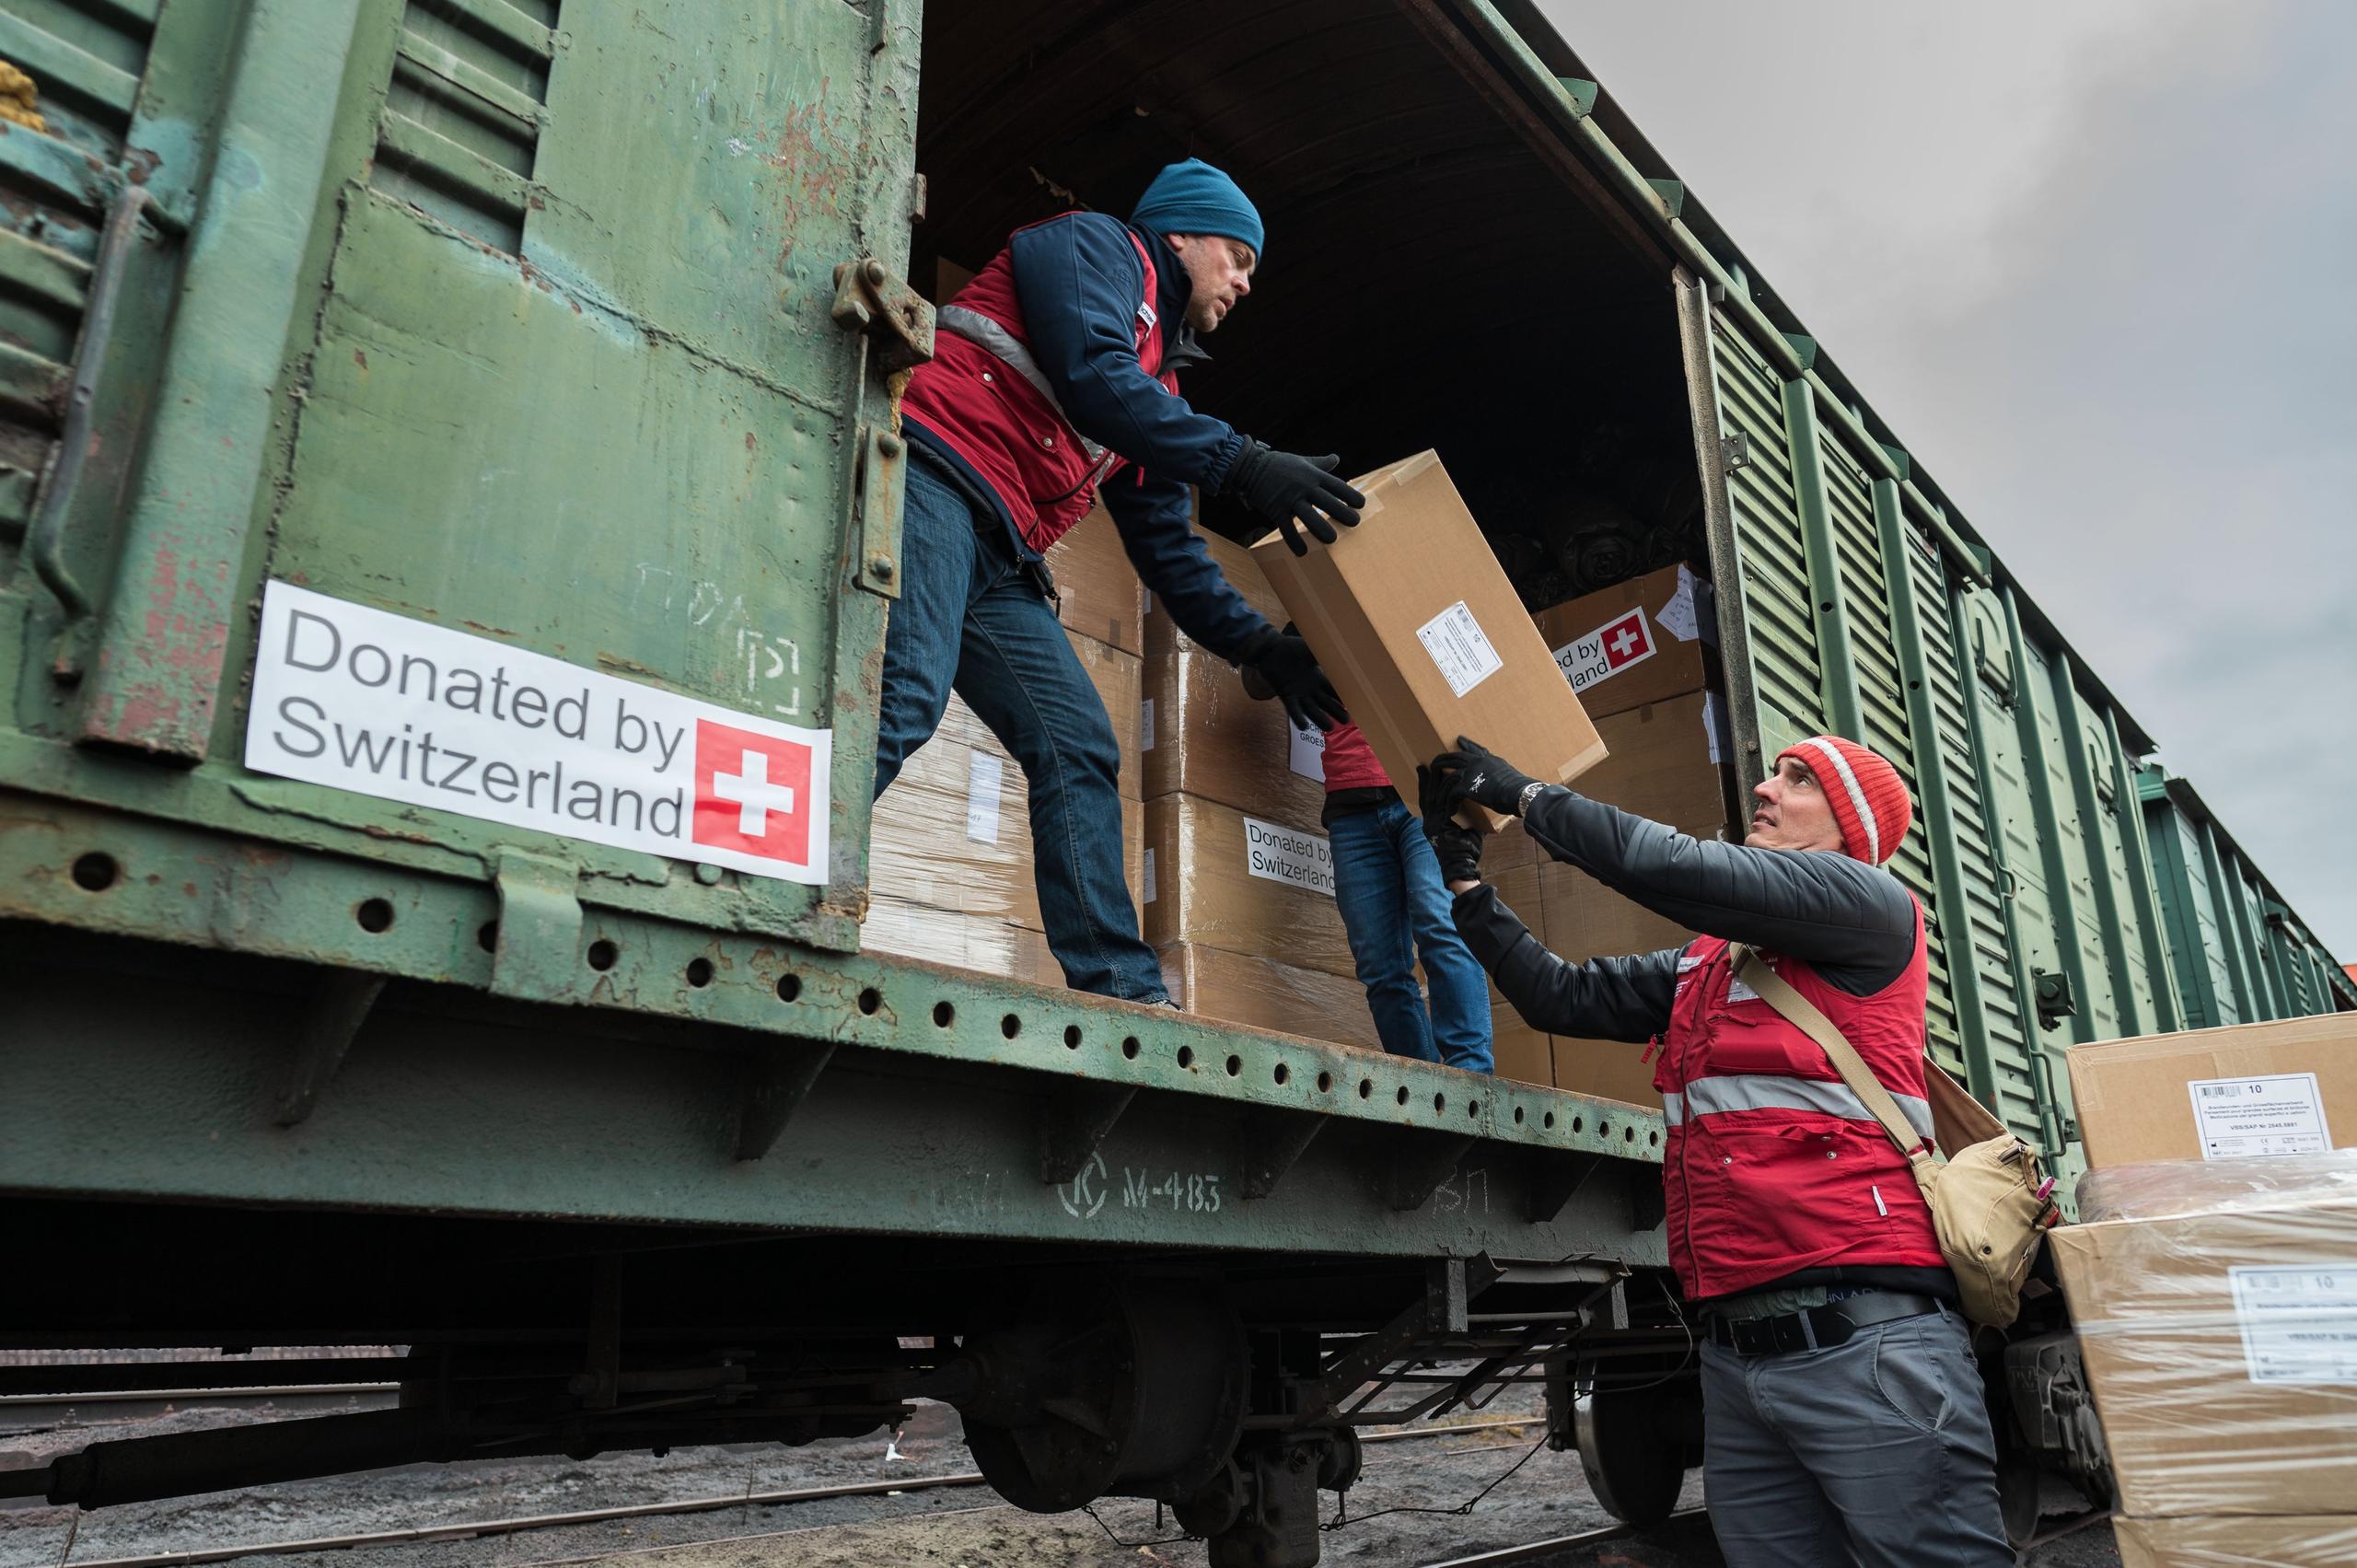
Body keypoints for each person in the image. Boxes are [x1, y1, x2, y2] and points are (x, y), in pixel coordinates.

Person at [1417, 734, 2011, 1568]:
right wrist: (1465, 879)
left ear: (1850, 829)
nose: (1765, 788)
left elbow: (1679, 869)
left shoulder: (1873, 907)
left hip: (1869, 1348)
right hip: (1737, 1360)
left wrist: (1526, 795)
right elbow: (1561, 994)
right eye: (1775, 771)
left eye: (1798, 780)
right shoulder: (1710, 965)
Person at [885, 159, 1364, 1003]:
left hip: (1003, 549)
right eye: (1238, 257)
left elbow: (1169, 550)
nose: (1246, 284)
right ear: (1180, 232)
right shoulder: (1094, 247)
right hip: (940, 469)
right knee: (908, 690)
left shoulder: (1162, 385)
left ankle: (1120, 988)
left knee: (1079, 743)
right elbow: (1088, 370)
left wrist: (1262, 646)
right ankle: (779, 870)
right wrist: (1243, 463)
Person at [1242, 638, 1491, 1071]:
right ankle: (1423, 1084)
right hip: (1350, 811)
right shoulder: (1315, 615)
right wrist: (1309, 642)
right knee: (1379, 964)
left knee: (1438, 921)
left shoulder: (1411, 594)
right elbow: (1256, 682)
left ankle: (1472, 1075)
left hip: (1422, 796)